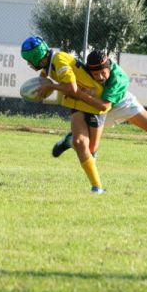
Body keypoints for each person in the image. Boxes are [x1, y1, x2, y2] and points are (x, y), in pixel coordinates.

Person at [52, 49, 147, 173]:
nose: (100, 77)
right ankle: (70, 141)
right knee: (90, 148)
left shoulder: (118, 78)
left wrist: (80, 93)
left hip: (119, 104)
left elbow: (105, 106)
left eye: (103, 73)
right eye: (95, 74)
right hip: (95, 107)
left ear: (109, 67)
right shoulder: (85, 71)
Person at [21, 36, 110, 193]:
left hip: (94, 101)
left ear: (37, 58)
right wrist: (40, 90)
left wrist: (51, 86)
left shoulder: (59, 60)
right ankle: (97, 188)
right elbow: (44, 78)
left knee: (91, 147)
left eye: (29, 60)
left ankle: (67, 142)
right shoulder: (48, 65)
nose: (28, 65)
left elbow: (72, 87)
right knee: (80, 143)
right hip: (78, 103)